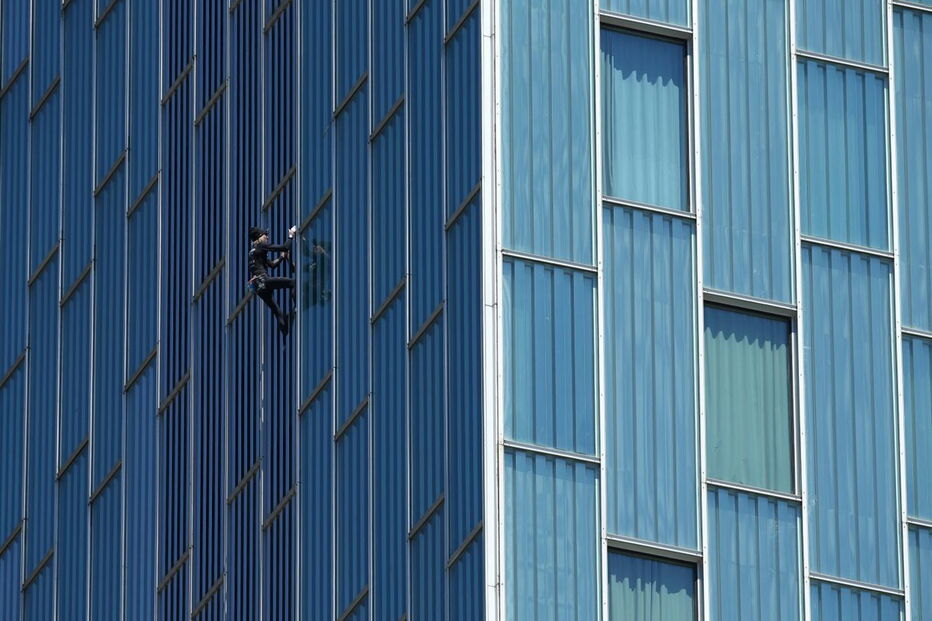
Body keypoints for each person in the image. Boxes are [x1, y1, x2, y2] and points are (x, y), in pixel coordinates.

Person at [248, 225, 297, 334]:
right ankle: (297, 306)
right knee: (293, 282)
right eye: (266, 235)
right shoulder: (261, 246)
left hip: (258, 287)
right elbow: (285, 247)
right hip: (263, 280)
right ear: (260, 236)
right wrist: (291, 235)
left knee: (278, 313)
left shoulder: (253, 252)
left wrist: (281, 257)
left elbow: (272, 265)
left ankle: (285, 334)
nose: (267, 238)